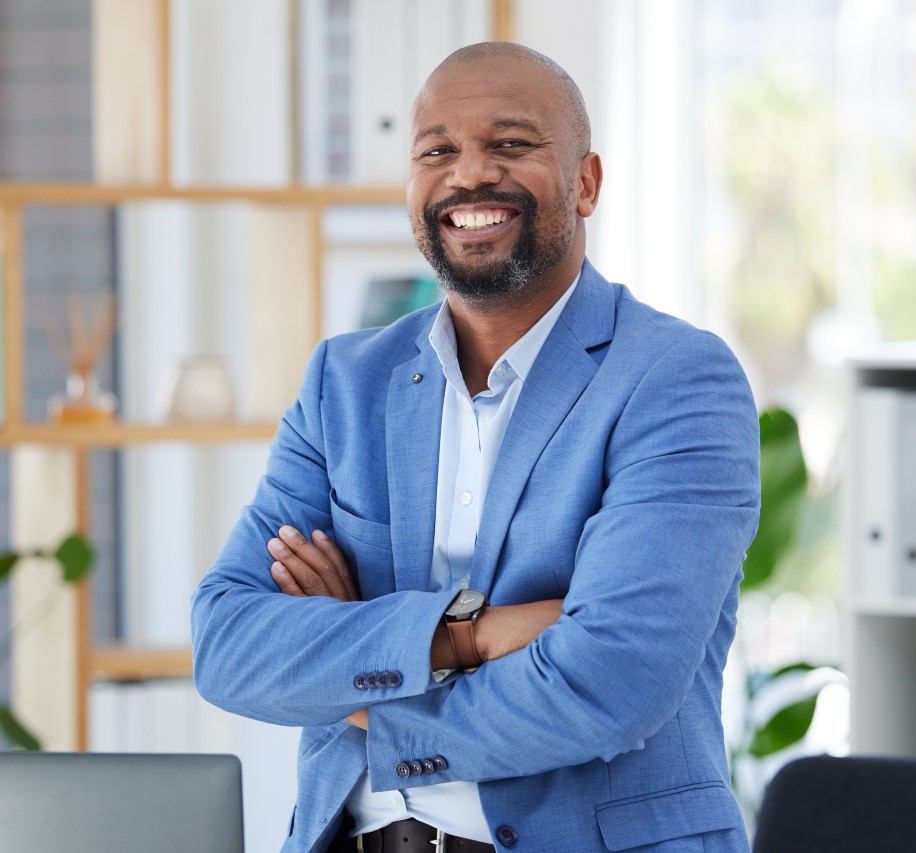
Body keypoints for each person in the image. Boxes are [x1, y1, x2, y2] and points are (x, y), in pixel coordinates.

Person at [192, 41, 760, 853]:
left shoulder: (675, 379)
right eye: (438, 151)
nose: (469, 176)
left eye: (511, 144)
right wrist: (470, 635)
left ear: (587, 182)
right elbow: (228, 643)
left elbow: (610, 680)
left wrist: (351, 663)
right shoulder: (344, 383)